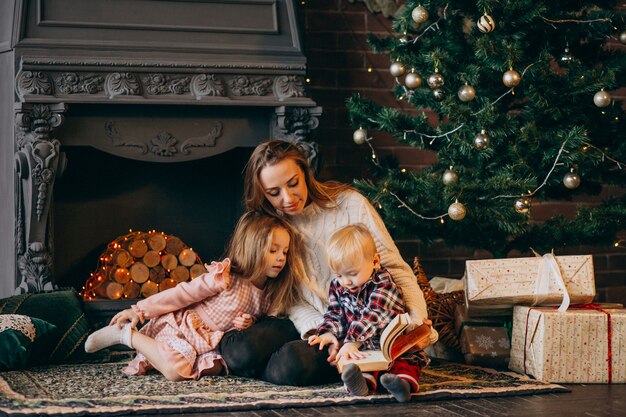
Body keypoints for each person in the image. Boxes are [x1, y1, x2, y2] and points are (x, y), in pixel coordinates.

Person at [218, 139, 437, 386]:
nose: (287, 198)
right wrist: (322, 333)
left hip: (360, 325)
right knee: (239, 352)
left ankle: (350, 367)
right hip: (310, 320)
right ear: (261, 192)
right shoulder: (272, 227)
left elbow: (395, 269)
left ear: (306, 173)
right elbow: (291, 300)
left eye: (293, 184)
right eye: (274, 193)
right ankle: (326, 364)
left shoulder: (349, 205)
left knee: (290, 364)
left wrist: (417, 320)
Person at [84, 211, 306, 381]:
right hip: (185, 330)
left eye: (285, 252)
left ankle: (147, 349)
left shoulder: (269, 294)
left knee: (212, 369)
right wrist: (138, 310)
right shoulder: (224, 277)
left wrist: (249, 322)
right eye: (273, 250)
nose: (281, 258)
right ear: (253, 248)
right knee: (175, 371)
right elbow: (182, 294)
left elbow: (256, 326)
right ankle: (125, 336)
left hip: (212, 343)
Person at [308, 224, 423, 402]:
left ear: (375, 261)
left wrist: (352, 341)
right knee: (357, 365)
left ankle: (401, 386)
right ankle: (360, 385)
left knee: (404, 365)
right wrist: (328, 332)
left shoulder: (384, 283)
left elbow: (374, 315)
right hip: (365, 350)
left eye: (352, 274)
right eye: (339, 275)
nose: (345, 281)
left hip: (393, 348)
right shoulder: (338, 285)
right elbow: (335, 312)